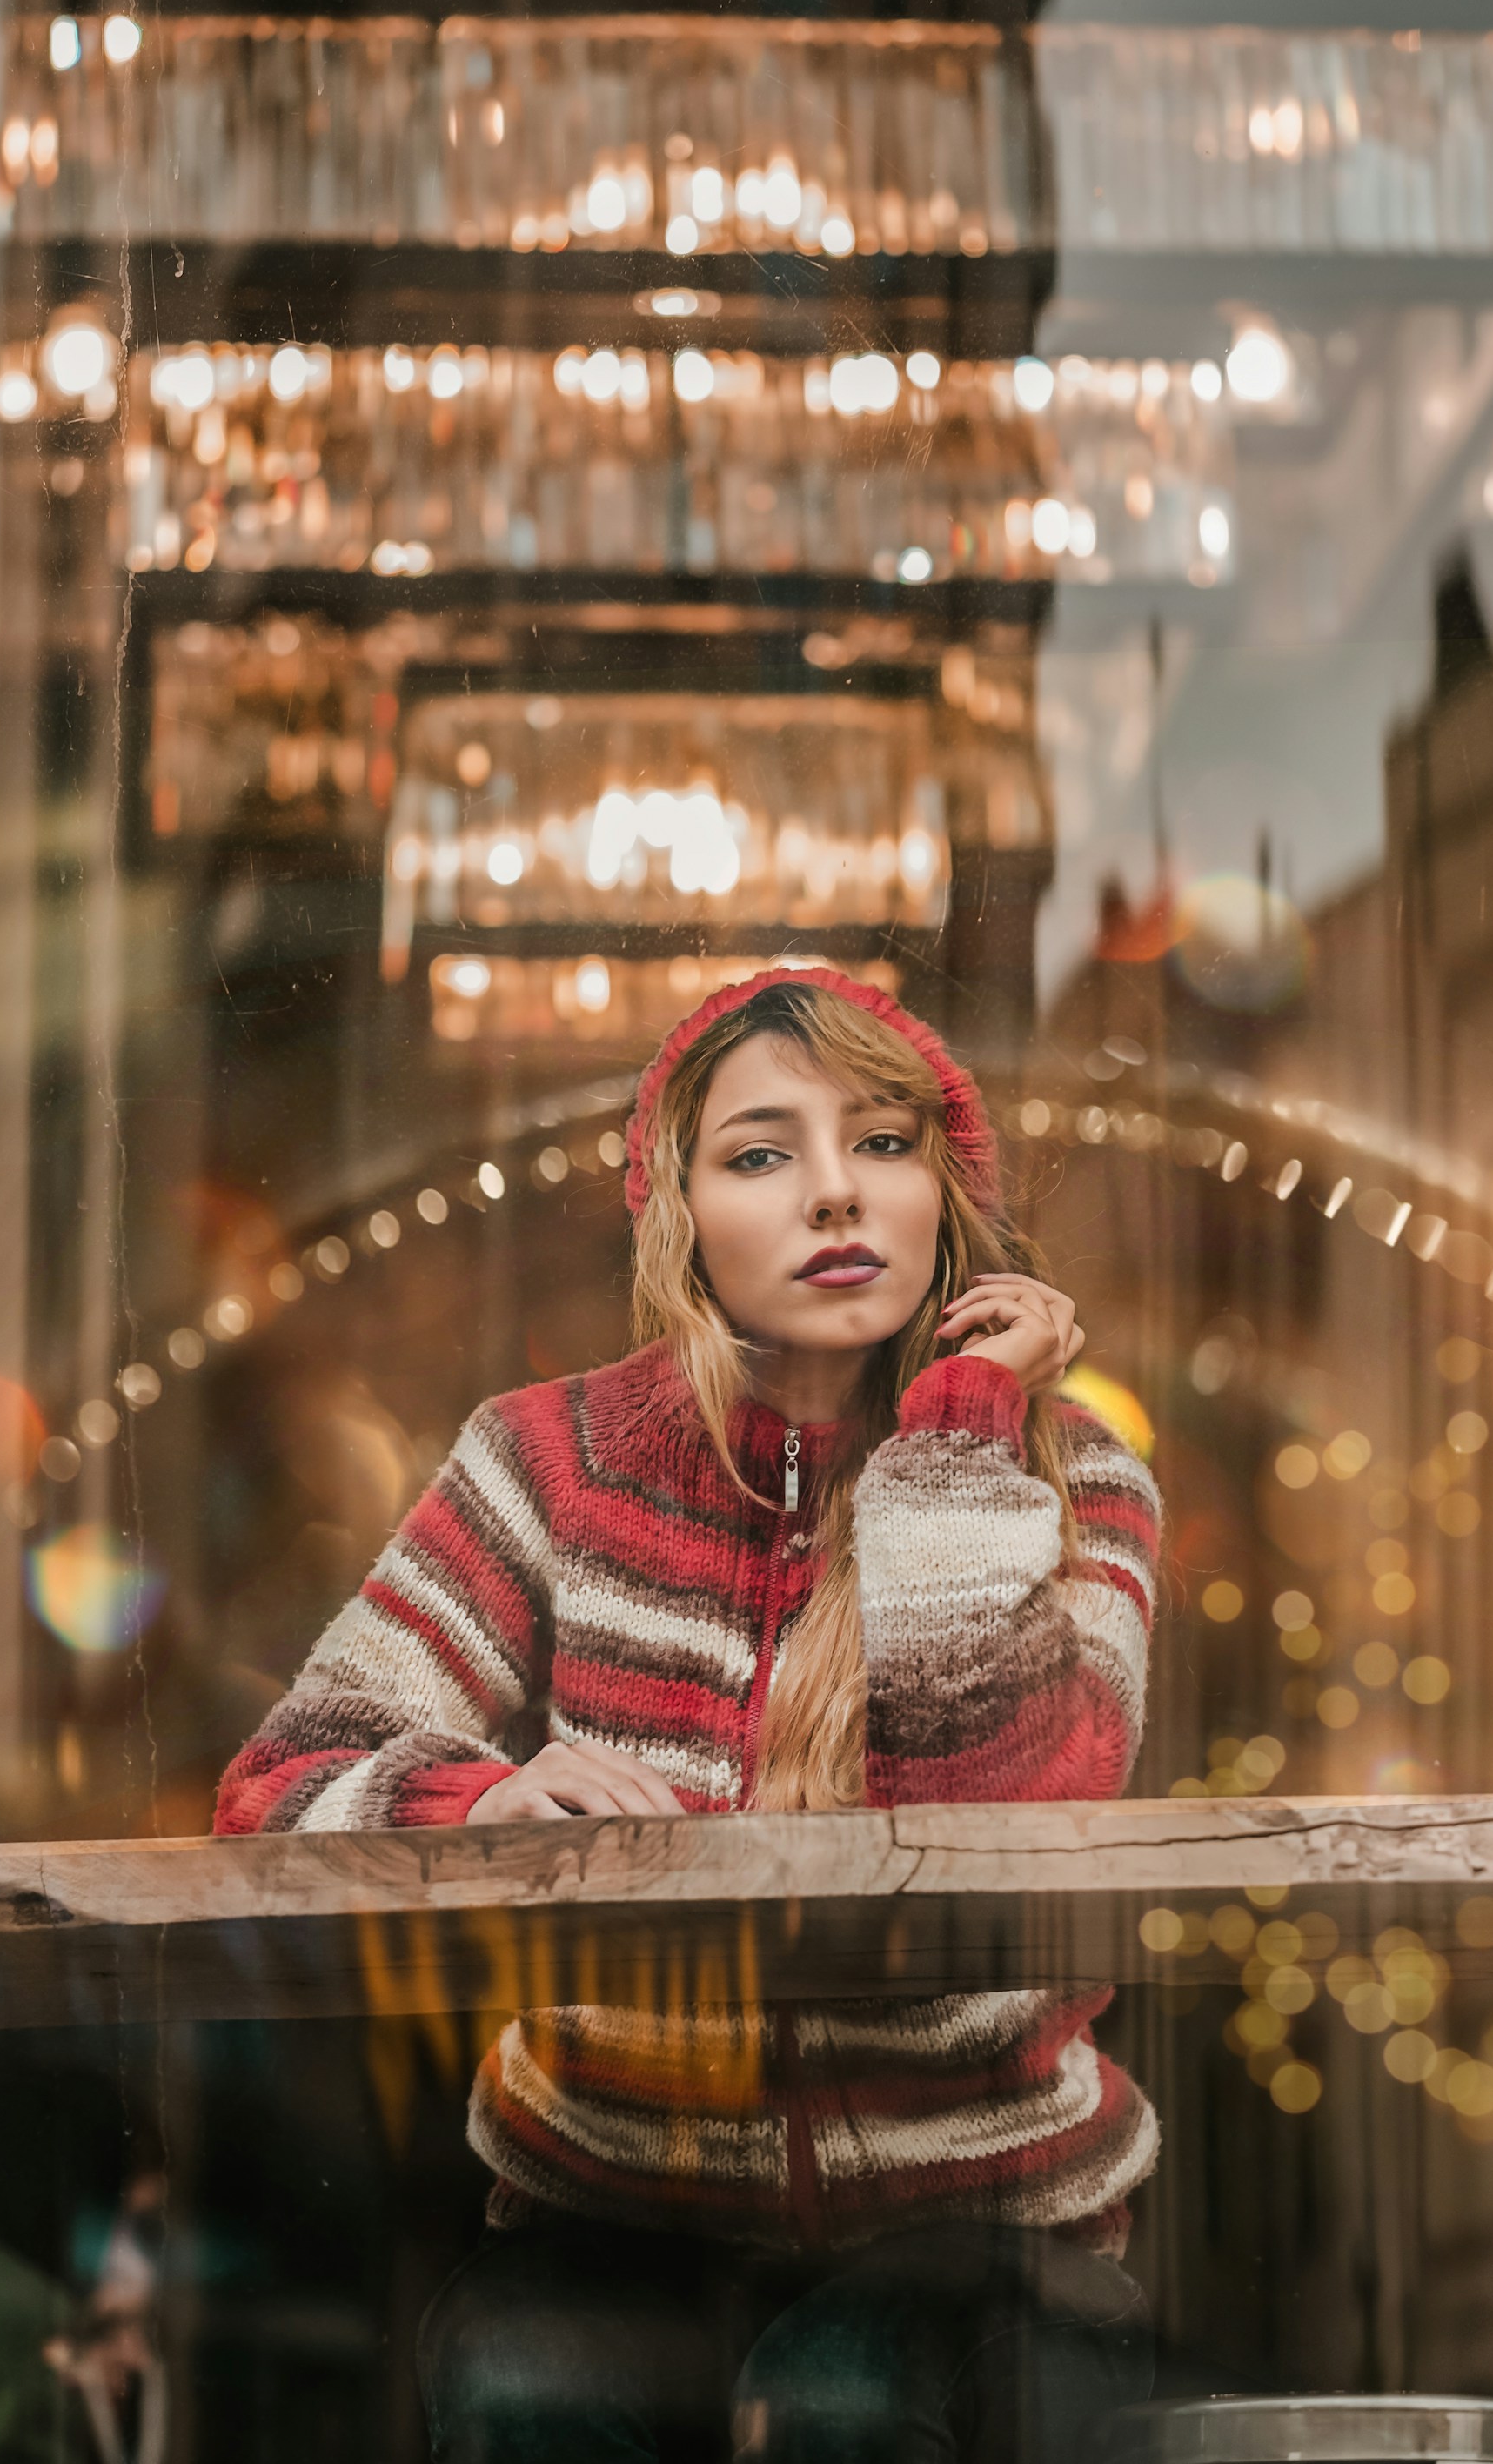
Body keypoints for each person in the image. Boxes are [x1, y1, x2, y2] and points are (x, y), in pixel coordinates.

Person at [216, 967, 1162, 2464]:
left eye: (886, 1143)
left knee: (841, 2403)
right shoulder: (551, 1460)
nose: (837, 1197)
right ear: (682, 1216)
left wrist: (964, 1427)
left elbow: (1010, 1805)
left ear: (948, 1199)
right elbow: (289, 1774)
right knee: (531, 2394)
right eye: (763, 1154)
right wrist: (476, 1804)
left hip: (979, 2209)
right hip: (613, 2197)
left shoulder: (1073, 1474)